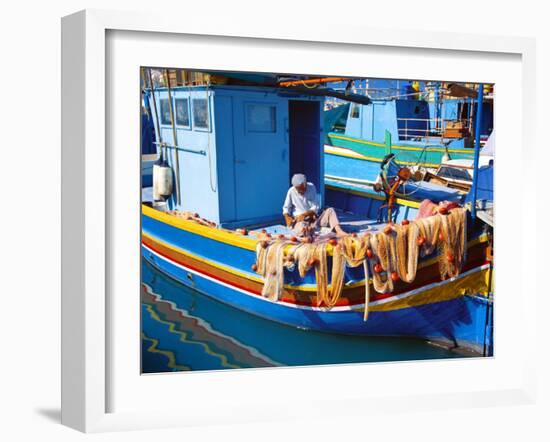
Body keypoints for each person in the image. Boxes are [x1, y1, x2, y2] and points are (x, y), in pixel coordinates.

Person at [282, 173, 347, 238]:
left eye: (302, 189)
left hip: (314, 219)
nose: (301, 191)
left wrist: (305, 214)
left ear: (305, 184)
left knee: (330, 210)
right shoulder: (291, 191)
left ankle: (339, 231)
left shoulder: (311, 187)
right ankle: (310, 233)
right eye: (298, 189)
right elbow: (286, 208)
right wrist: (287, 217)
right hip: (300, 221)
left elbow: (316, 206)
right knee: (302, 229)